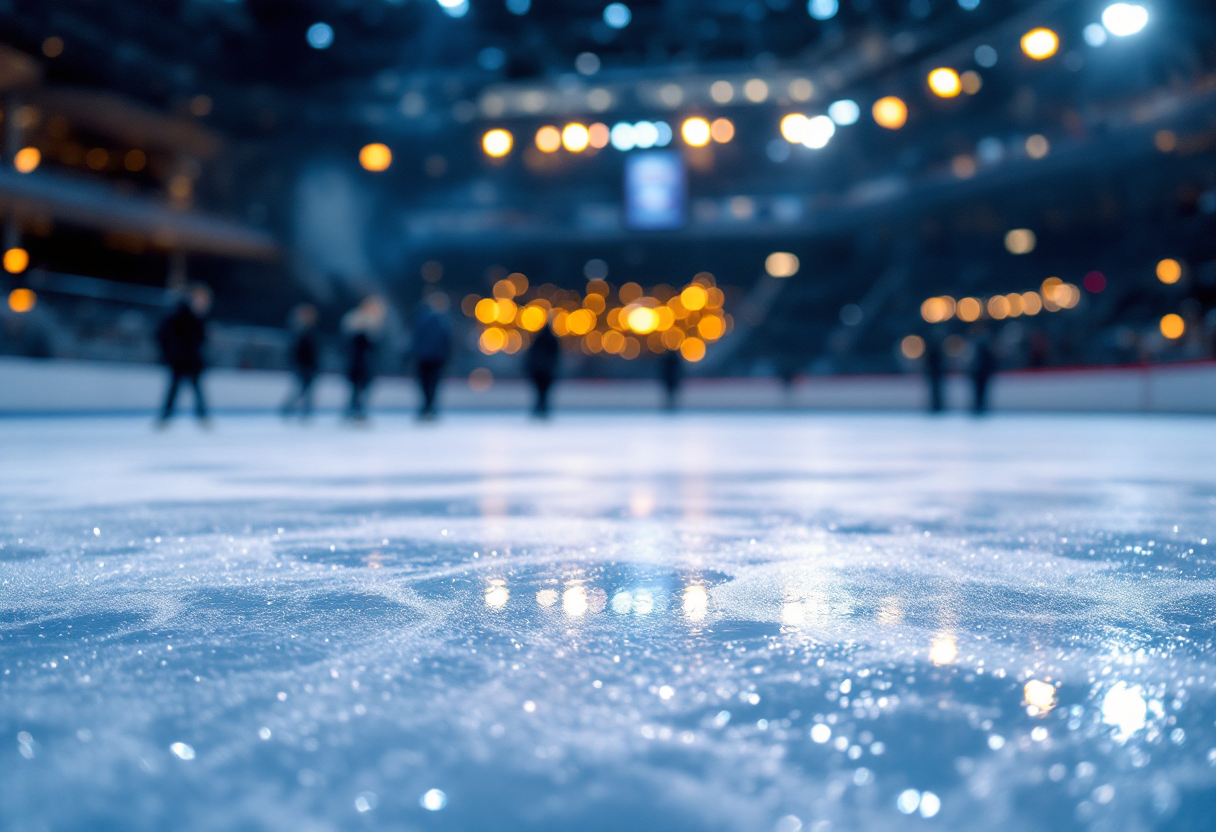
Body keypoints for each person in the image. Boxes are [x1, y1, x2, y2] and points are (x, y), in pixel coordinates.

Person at [156, 284, 211, 426]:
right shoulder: (179, 315)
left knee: (196, 389)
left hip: (192, 361)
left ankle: (201, 415)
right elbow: (164, 335)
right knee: (175, 389)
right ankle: (166, 416)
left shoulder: (199, 317)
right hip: (180, 360)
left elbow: (201, 341)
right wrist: (170, 352)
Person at [342, 296, 386, 422]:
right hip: (359, 362)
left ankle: (356, 410)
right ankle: (355, 411)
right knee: (357, 388)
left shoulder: (370, 324)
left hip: (363, 363)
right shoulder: (359, 323)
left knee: (360, 388)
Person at [413, 294, 451, 420]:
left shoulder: (440, 320)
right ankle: (428, 407)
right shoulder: (431, 319)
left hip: (433, 358)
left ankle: (428, 407)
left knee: (431, 384)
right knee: (427, 384)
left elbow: (446, 341)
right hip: (427, 358)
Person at [281, 303, 320, 419]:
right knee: (301, 389)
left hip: (310, 365)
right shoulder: (299, 330)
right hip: (302, 364)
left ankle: (305, 412)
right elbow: (295, 350)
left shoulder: (311, 330)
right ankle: (289, 410)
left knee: (307, 390)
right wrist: (297, 363)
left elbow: (314, 350)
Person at [525, 321, 560, 417]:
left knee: (539, 393)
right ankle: (543, 410)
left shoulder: (538, 340)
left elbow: (531, 356)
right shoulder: (552, 341)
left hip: (539, 373)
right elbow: (556, 356)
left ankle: (539, 409)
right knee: (544, 393)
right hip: (547, 373)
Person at [971, 331, 996, 415]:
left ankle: (978, 407)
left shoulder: (975, 346)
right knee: (981, 391)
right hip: (981, 372)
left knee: (978, 391)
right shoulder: (984, 347)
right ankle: (980, 407)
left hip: (978, 372)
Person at [923, 335, 944, 413]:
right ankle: (936, 406)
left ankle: (937, 406)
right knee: (935, 391)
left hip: (935, 374)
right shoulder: (937, 352)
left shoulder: (932, 353)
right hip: (935, 374)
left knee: (936, 391)